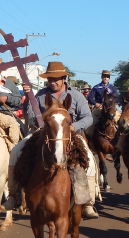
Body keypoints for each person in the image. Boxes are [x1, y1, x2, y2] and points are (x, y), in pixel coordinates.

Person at [5, 61, 99, 219]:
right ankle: (14, 195)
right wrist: (28, 99)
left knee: (89, 158)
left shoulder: (76, 95)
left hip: (70, 134)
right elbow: (31, 116)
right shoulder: (41, 94)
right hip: (44, 134)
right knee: (15, 151)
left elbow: (88, 118)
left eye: (56, 78)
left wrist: (73, 127)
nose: (53, 82)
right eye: (50, 79)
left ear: (63, 79)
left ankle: (88, 203)